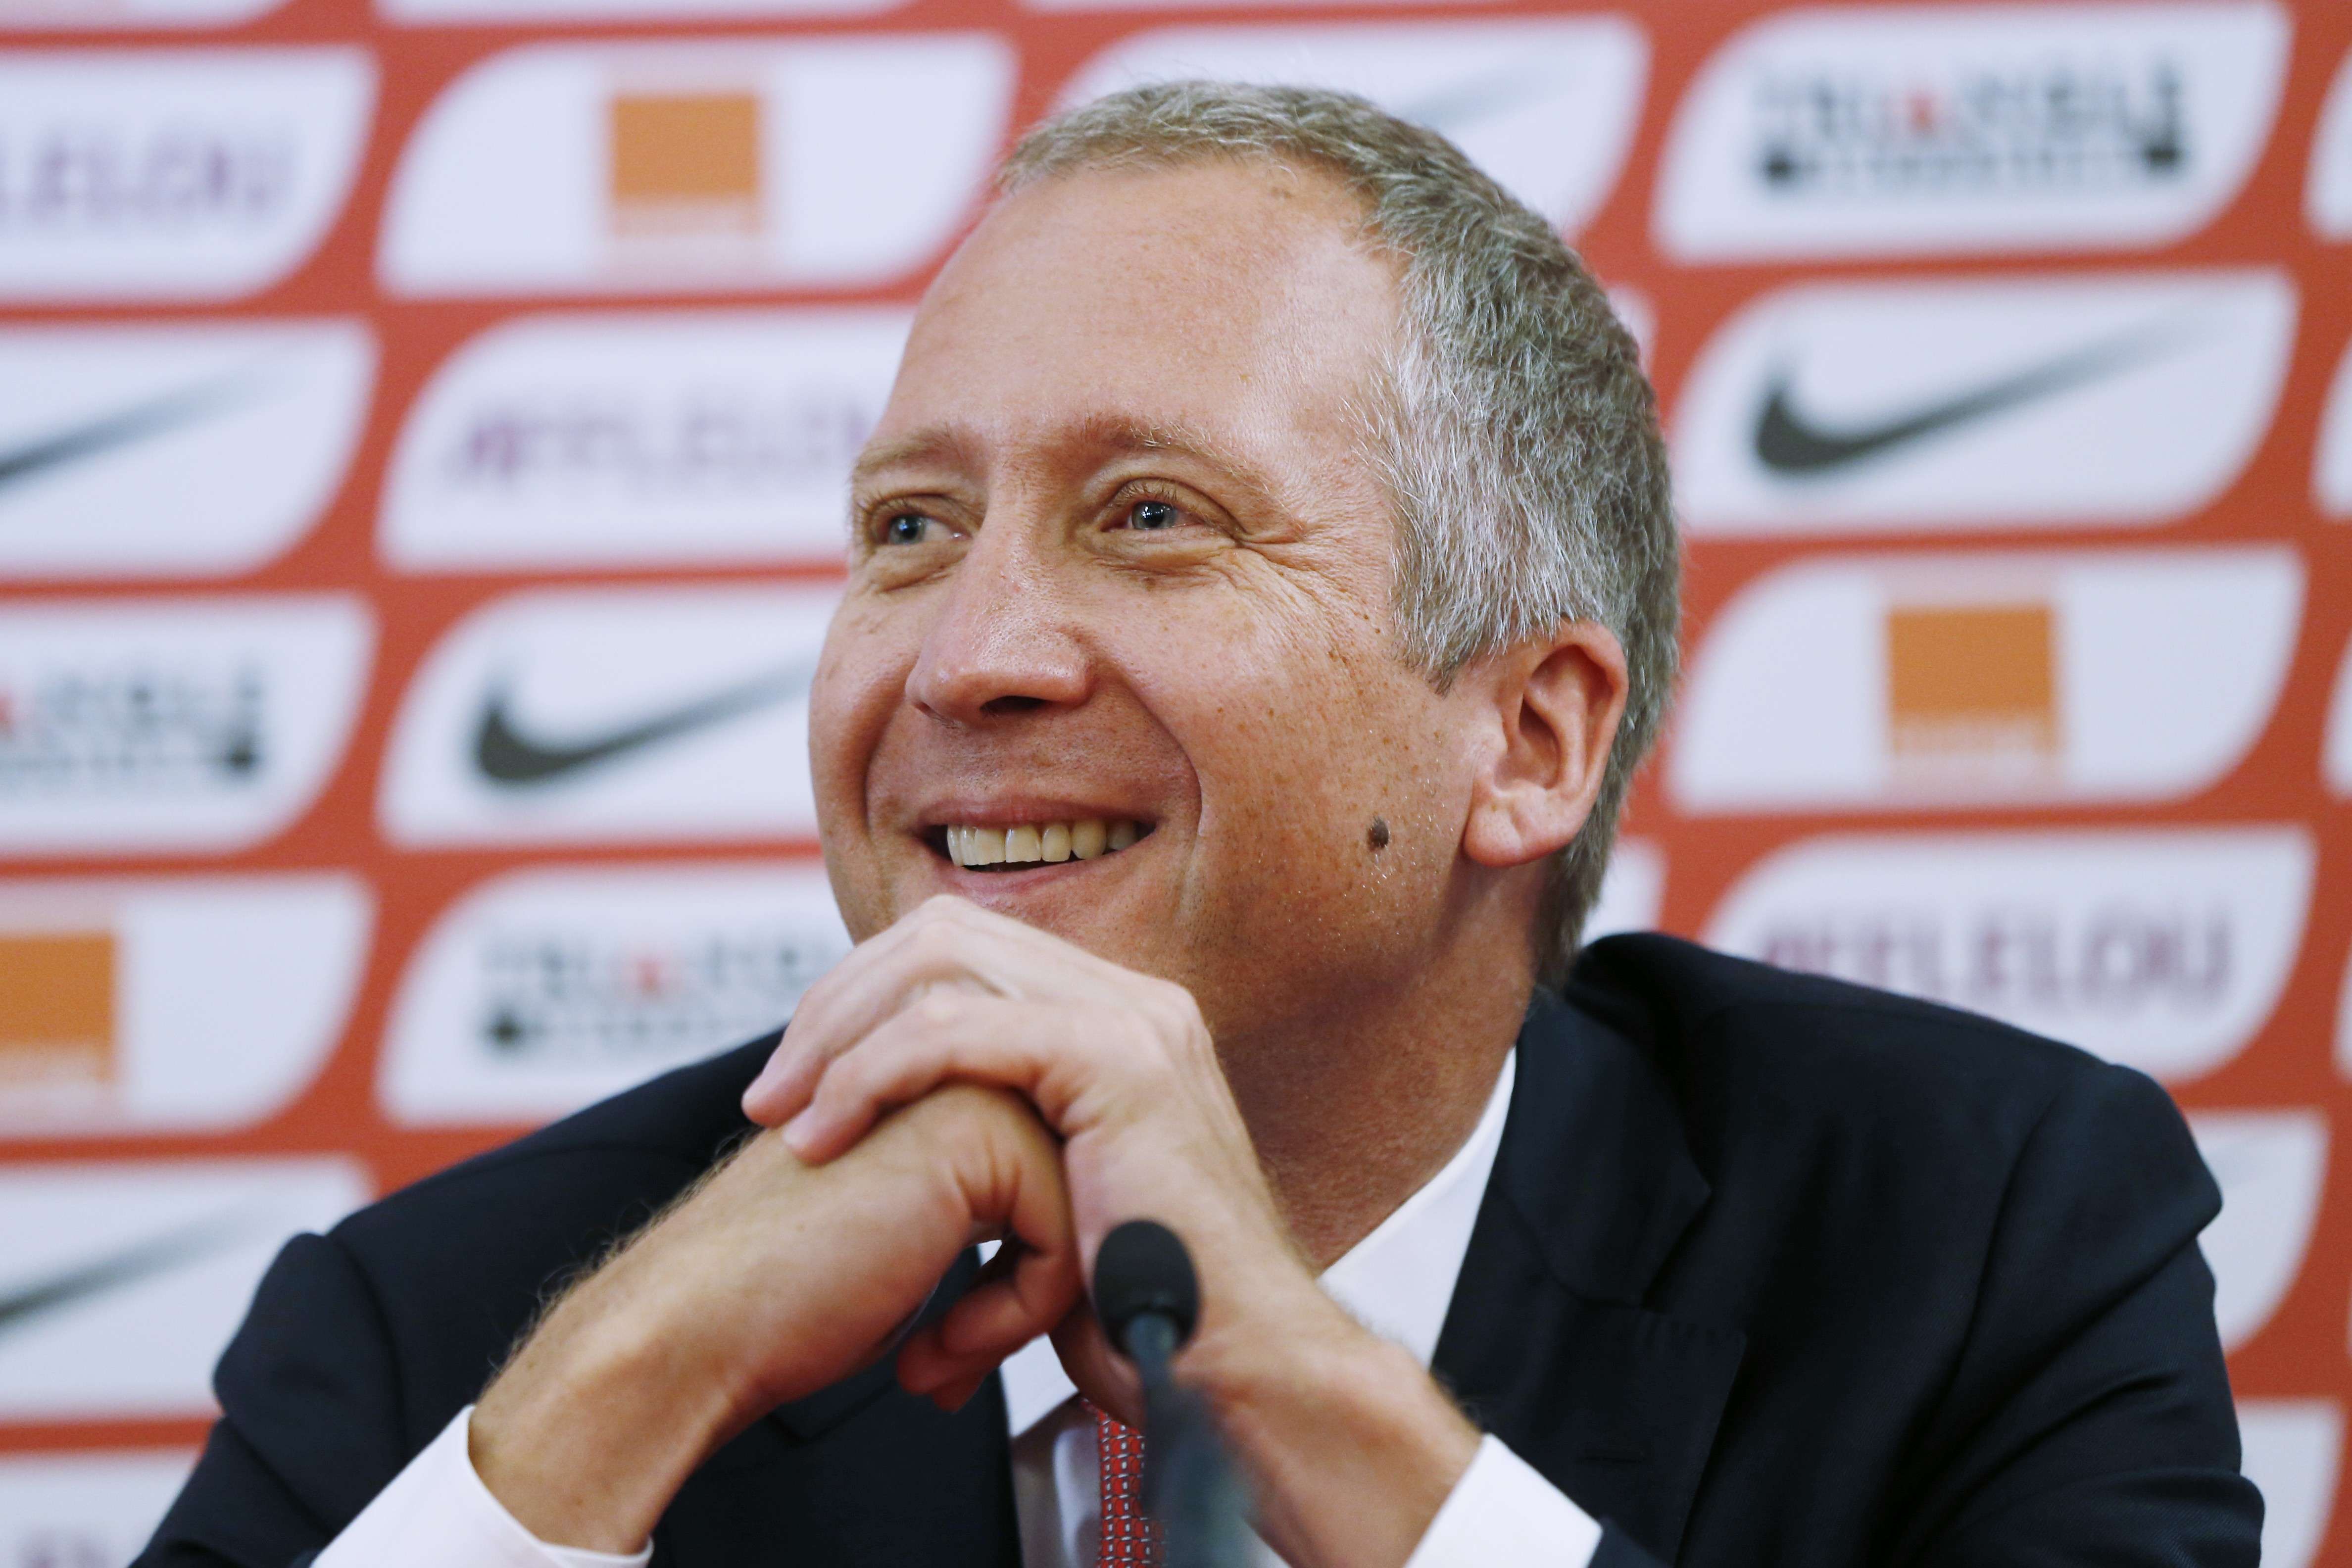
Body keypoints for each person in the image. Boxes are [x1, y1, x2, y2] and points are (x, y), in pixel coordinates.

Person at [139, 82, 2259, 1568]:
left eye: (1153, 517)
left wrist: (1307, 1387)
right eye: (908, 529)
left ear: (1529, 738)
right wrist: (622, 1395)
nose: (967, 657)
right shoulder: (467, 1329)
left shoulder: (1977, 1240)